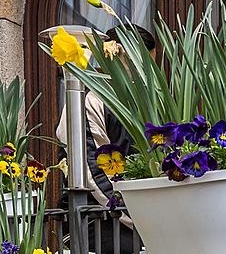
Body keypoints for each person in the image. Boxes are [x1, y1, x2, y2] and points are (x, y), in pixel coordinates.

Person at [56, 24, 155, 254]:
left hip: (132, 218)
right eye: (145, 66)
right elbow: (93, 172)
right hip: (100, 222)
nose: (148, 75)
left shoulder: (138, 104)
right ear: (119, 55)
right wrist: (139, 215)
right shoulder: (90, 99)